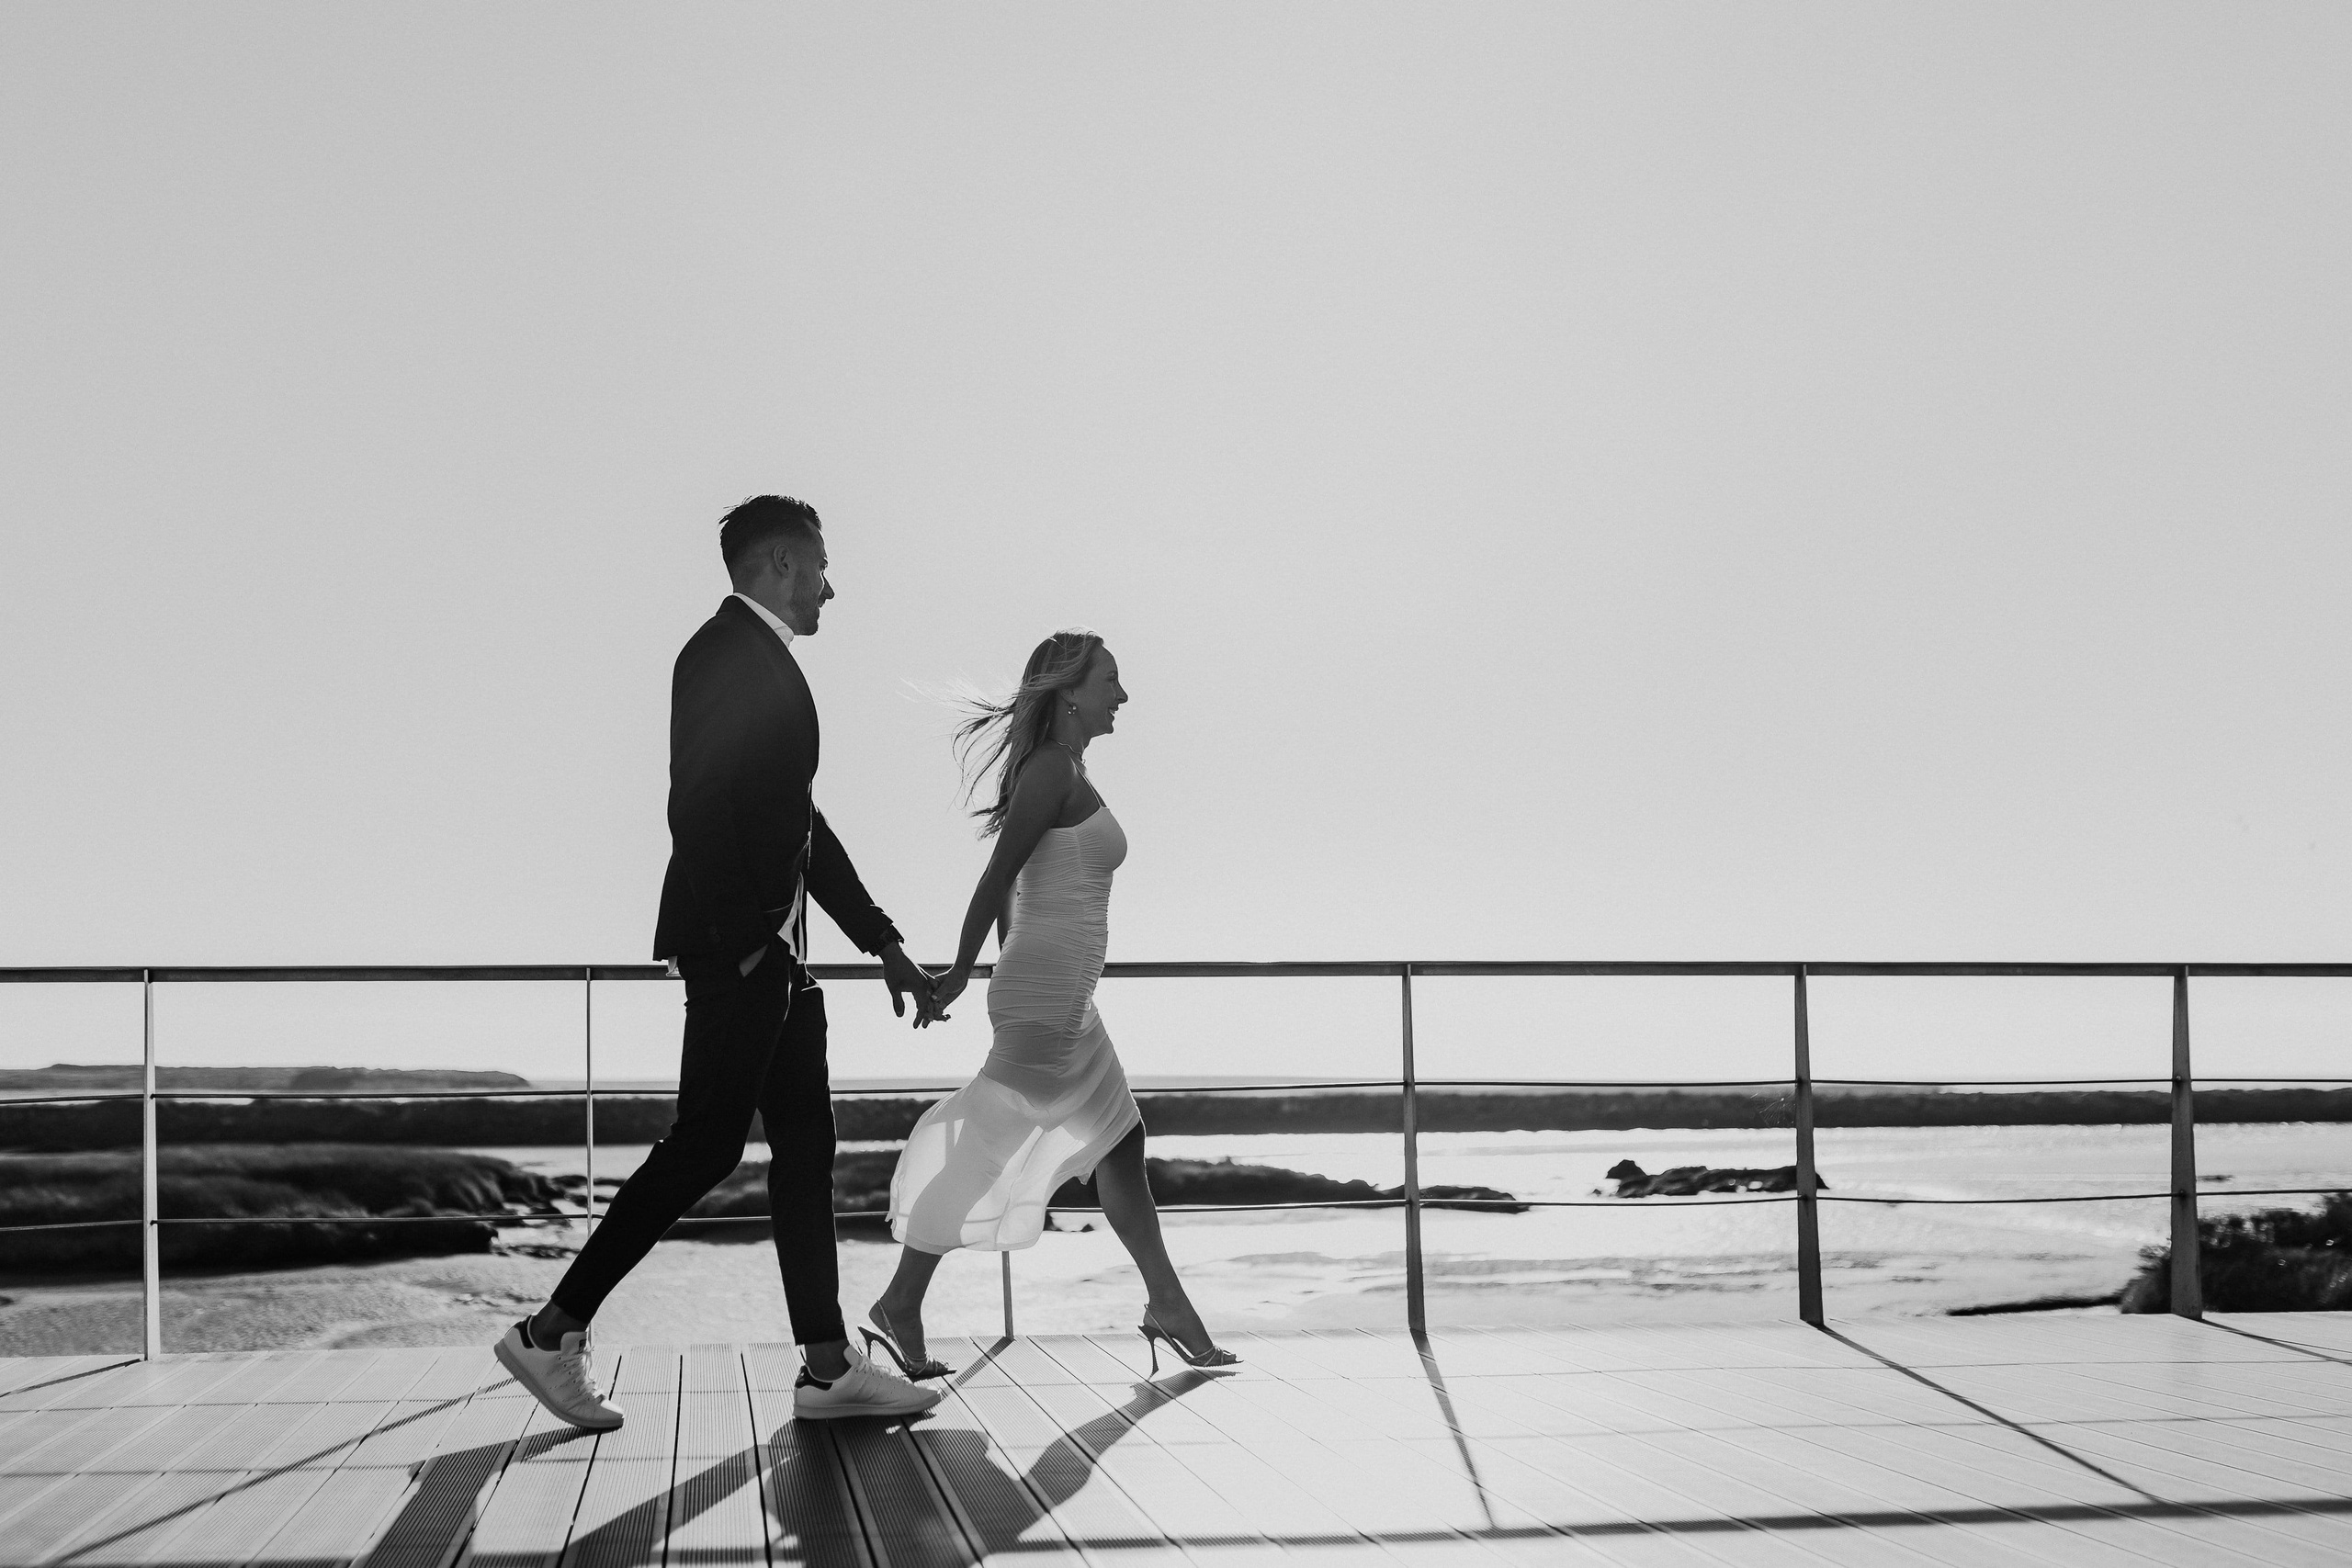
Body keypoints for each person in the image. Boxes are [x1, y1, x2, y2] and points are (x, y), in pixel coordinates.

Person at [496, 494, 945, 1427]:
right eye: (823, 566)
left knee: (805, 1153)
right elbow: (694, 805)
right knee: (705, 1146)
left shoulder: (763, 663)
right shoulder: (719, 654)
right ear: (781, 565)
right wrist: (747, 943)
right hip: (740, 951)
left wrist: (884, 942)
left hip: (780, 960)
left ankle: (827, 1370)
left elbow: (801, 828)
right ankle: (550, 1333)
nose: (833, 586)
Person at [867, 630, 1238, 1380]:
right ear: (1071, 690)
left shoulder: (1066, 769)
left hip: (1064, 994)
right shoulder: (1048, 769)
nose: (1123, 697)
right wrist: (971, 967)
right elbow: (995, 873)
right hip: (1045, 996)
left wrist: (1001, 960)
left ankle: (1169, 1306)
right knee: (986, 1146)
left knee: (1122, 1143)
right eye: (1112, 681)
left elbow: (1016, 880)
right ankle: (900, 1302)